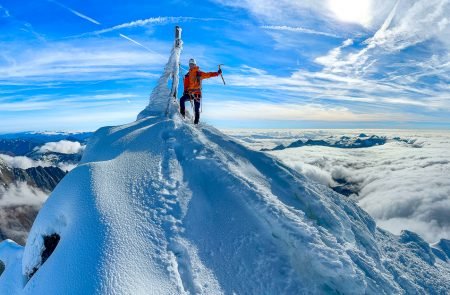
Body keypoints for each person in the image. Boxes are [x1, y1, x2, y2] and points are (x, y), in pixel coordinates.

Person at [180, 58, 222, 124]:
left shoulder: (199, 73)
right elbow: (186, 84)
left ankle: (196, 123)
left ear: (195, 65)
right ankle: (182, 117)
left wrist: (217, 73)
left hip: (197, 94)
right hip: (190, 93)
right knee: (182, 100)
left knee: (197, 109)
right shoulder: (187, 75)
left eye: (192, 64)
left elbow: (208, 74)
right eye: (190, 64)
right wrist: (185, 91)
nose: (191, 65)